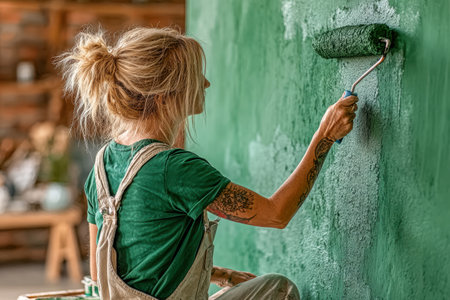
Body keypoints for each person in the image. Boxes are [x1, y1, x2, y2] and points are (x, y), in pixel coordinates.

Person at [57, 27, 358, 300]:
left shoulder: (102, 164)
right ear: (164, 96)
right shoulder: (173, 168)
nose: (206, 83)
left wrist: (219, 275)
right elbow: (277, 214)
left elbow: (100, 274)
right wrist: (325, 136)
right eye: (194, 77)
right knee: (279, 290)